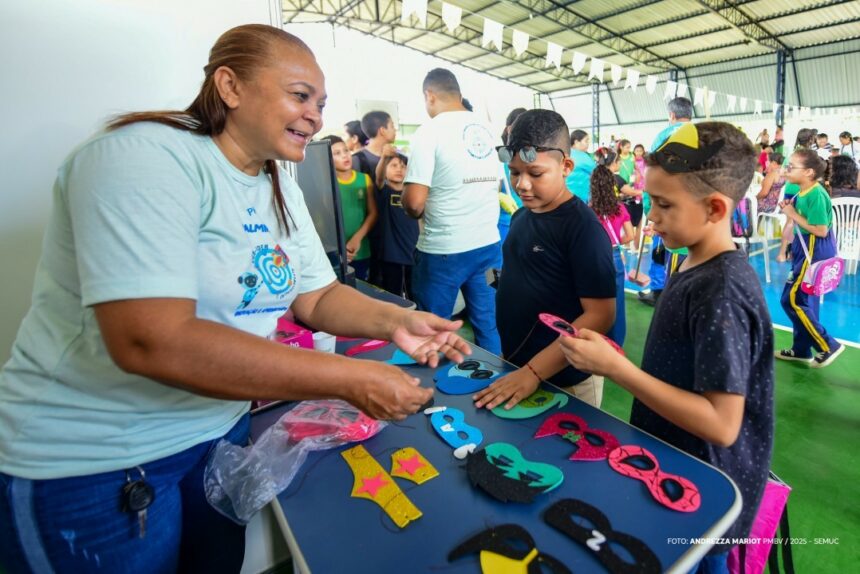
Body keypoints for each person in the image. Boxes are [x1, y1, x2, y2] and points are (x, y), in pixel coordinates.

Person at [0, 25, 469, 574]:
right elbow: (152, 340)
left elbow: (317, 296)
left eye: (321, 104)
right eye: (300, 96)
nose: (314, 117)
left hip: (217, 440)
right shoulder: (143, 157)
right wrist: (350, 378)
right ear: (230, 86)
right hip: (98, 466)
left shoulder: (278, 182)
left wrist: (396, 321)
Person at [559, 122, 774, 572]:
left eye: (664, 204)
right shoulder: (696, 260)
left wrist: (617, 370)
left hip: (704, 492)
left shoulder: (721, 291)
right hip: (677, 467)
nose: (651, 216)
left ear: (715, 208)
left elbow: (722, 425)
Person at [473, 109, 616, 410]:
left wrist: (534, 372)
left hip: (565, 380)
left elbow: (601, 315)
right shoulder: (520, 216)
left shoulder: (583, 230)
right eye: (514, 172)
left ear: (566, 166)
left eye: (535, 173)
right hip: (518, 366)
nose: (522, 184)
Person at [403, 68, 503, 355]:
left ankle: (433, 382)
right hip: (489, 247)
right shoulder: (488, 130)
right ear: (458, 94)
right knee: (489, 323)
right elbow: (495, 185)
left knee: (432, 330)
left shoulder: (429, 132)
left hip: (443, 253)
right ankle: (497, 378)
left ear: (429, 96)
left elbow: (414, 203)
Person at [776, 149, 845, 367]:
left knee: (793, 299)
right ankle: (801, 349)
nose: (787, 170)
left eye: (791, 167)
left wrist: (793, 214)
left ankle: (828, 344)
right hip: (804, 247)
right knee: (805, 301)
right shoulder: (801, 191)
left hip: (814, 249)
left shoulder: (816, 194)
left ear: (808, 172)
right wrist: (790, 213)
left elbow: (821, 230)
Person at [638, 96, 693, 307]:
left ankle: (660, 293)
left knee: (664, 254)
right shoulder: (704, 135)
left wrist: (650, 211)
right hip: (697, 214)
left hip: (669, 210)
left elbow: (652, 176)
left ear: (671, 115)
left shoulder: (664, 136)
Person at [590, 149, 635, 346]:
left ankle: (598, 341)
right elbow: (631, 235)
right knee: (618, 303)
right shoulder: (620, 208)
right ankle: (616, 344)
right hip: (615, 255)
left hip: (595, 259)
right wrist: (616, 242)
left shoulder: (588, 210)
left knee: (596, 303)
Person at [322, 135, 378, 280]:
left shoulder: (364, 179)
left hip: (360, 249)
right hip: (334, 250)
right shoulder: (325, 184)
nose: (345, 156)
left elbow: (373, 213)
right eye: (337, 153)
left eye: (346, 150)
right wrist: (340, 247)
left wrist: (356, 239)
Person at [373, 152, 419, 298]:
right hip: (391, 255)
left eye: (403, 166)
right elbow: (379, 178)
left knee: (414, 294)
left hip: (413, 253)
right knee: (393, 295)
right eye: (393, 165)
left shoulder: (413, 195)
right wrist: (384, 157)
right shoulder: (384, 191)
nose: (399, 169)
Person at [776, 128, 817, 263]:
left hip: (790, 189)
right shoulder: (809, 155)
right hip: (802, 190)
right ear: (810, 139)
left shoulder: (792, 153)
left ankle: (784, 253)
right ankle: (786, 253)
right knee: (798, 222)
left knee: (790, 221)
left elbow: (782, 172)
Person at [498, 107, 527, 244]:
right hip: (507, 224)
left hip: (531, 221)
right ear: (510, 129)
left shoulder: (531, 156)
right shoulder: (499, 158)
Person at [566, 129, 596, 202]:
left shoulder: (566, 153)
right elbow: (598, 173)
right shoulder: (582, 156)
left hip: (566, 197)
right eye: (586, 141)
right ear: (576, 142)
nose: (588, 144)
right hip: (581, 199)